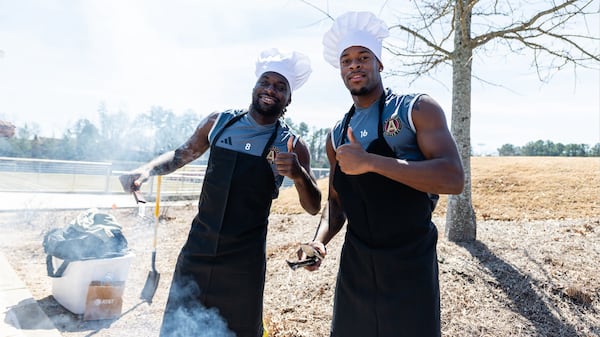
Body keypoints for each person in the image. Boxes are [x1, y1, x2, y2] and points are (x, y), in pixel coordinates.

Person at [120, 48, 322, 337]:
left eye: (280, 87)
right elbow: (180, 155)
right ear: (254, 86)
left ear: (288, 98)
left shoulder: (291, 145)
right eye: (265, 82)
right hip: (198, 251)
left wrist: (298, 174)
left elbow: (314, 206)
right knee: (180, 330)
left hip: (243, 264)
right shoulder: (219, 123)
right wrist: (146, 171)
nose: (270, 90)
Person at [300, 11, 465, 337]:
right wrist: (318, 242)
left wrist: (372, 162)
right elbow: (336, 202)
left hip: (410, 265)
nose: (354, 65)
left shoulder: (416, 109)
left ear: (380, 63)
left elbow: (452, 178)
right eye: (346, 60)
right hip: (357, 267)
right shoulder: (337, 133)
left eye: (363, 57)